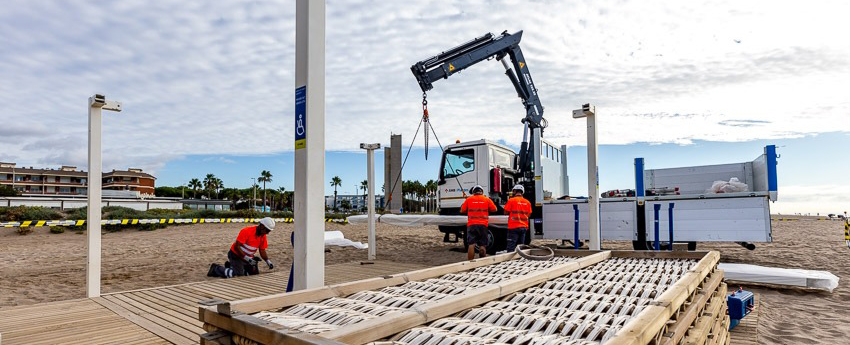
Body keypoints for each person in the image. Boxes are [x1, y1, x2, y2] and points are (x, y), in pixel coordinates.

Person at [208, 217, 275, 278]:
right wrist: (247, 258)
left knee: (253, 275)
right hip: (236, 255)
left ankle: (231, 266)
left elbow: (262, 250)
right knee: (237, 275)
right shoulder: (246, 231)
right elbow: (237, 247)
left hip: (248, 258)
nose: (267, 233)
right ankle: (216, 269)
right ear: (262, 226)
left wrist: (268, 261)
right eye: (267, 231)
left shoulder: (263, 236)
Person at [460, 185, 497, 260]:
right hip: (483, 225)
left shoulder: (469, 199)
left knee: (471, 244)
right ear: (482, 191)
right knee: (482, 245)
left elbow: (462, 210)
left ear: (473, 192)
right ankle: (482, 263)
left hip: (472, 225)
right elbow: (495, 209)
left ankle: (470, 263)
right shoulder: (487, 199)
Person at [503, 184, 532, 252]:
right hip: (523, 227)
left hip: (513, 227)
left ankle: (510, 258)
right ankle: (520, 257)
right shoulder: (527, 202)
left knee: (511, 247)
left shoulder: (511, 200)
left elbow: (505, 212)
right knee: (521, 247)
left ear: (514, 191)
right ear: (522, 192)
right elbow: (529, 214)